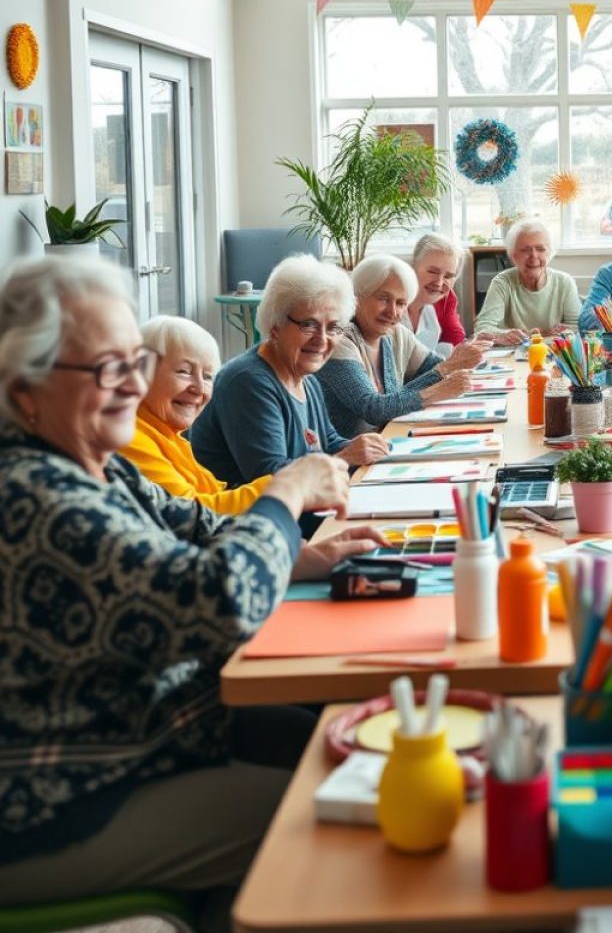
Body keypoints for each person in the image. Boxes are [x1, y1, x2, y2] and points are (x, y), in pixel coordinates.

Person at [0, 256, 350, 929]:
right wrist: (286, 493)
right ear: (24, 392)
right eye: (108, 369)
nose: (134, 387)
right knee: (323, 815)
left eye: (136, 362)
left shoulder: (97, 468)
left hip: (157, 730)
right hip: (59, 797)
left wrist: (301, 557)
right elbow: (218, 603)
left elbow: (201, 526)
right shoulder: (33, 496)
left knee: (327, 740)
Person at [126, 314, 387, 578]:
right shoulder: (132, 439)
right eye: (183, 371)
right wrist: (292, 485)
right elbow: (196, 517)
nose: (198, 388)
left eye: (206, 376)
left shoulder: (169, 435)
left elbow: (217, 495)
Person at [190, 255, 388, 534]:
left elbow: (326, 441)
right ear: (275, 326)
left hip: (300, 518)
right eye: (309, 324)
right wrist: (345, 457)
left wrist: (363, 447)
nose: (322, 339)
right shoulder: (249, 382)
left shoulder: (304, 376)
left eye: (333, 327)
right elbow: (270, 476)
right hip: (251, 531)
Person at [318, 254, 484, 437]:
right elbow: (373, 409)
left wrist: (457, 363)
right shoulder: (338, 339)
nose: (392, 312)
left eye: (401, 303)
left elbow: (436, 369)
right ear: (357, 296)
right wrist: (442, 378)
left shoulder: (396, 333)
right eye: (383, 299)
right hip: (349, 460)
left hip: (390, 443)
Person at [474, 217, 582, 345]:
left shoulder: (564, 282)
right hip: (511, 356)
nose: (534, 256)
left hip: (554, 354)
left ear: (549, 253)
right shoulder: (502, 282)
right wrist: (507, 335)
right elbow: (482, 329)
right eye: (525, 250)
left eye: (540, 249)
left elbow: (577, 328)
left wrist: (543, 336)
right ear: (513, 256)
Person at [404, 233, 467, 355]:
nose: (439, 283)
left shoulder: (428, 311)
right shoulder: (393, 306)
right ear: (413, 267)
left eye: (448, 276)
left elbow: (455, 338)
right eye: (432, 272)